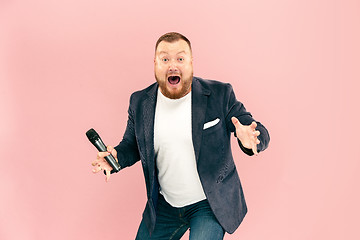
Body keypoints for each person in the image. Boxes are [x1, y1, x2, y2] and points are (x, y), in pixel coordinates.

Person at [91, 32, 270, 240]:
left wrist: (252, 140)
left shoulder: (220, 94)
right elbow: (132, 145)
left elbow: (257, 130)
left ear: (191, 63)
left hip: (208, 203)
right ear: (155, 63)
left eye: (180, 58)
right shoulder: (140, 102)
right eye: (165, 59)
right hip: (165, 205)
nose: (172, 65)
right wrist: (115, 160)